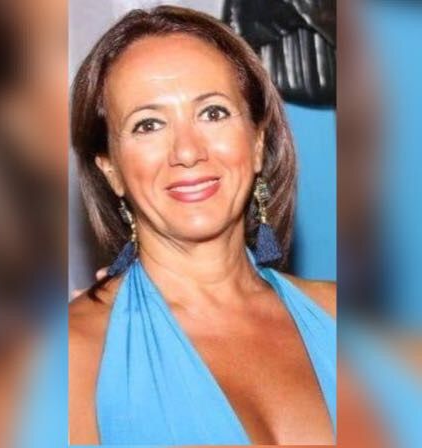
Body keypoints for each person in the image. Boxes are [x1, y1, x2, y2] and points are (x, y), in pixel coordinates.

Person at [69, 5, 336, 445]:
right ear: (111, 169)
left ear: (257, 142)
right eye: (148, 124)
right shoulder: (71, 359)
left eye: (213, 113)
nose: (188, 152)